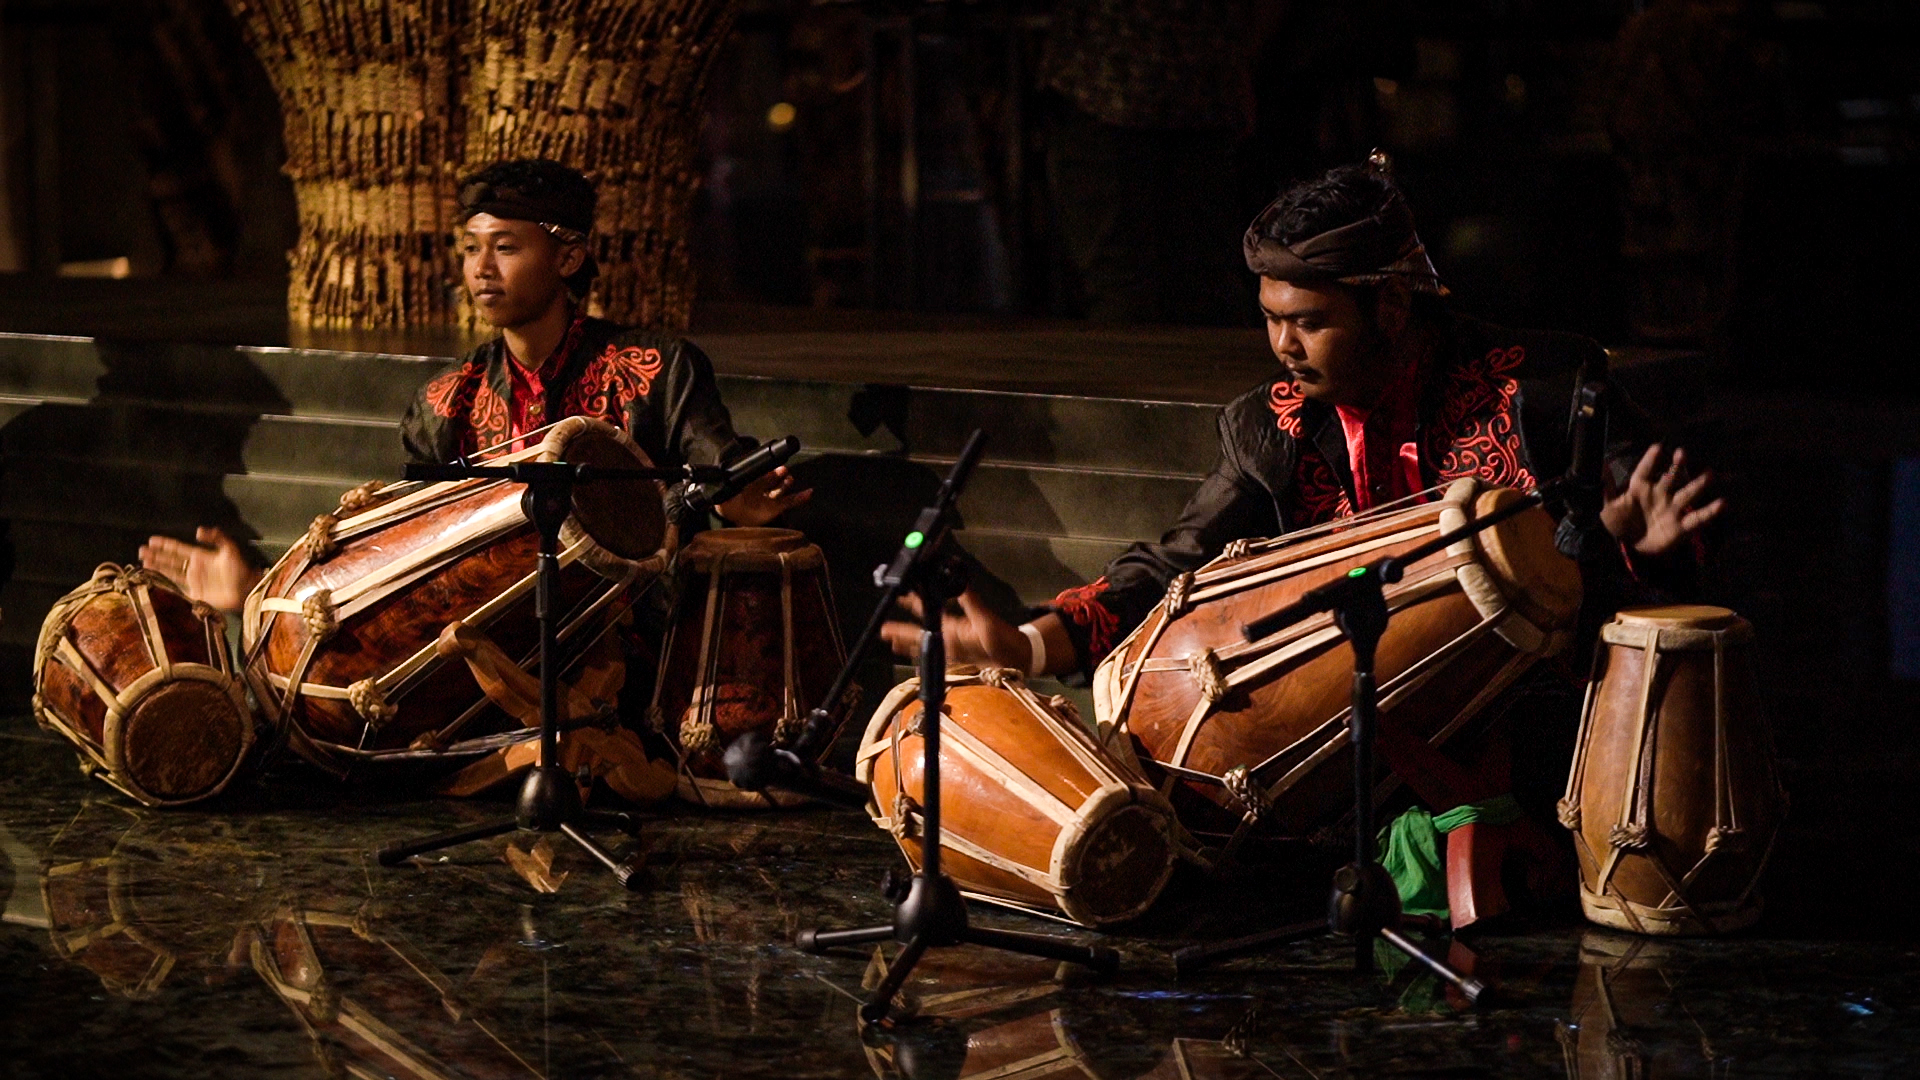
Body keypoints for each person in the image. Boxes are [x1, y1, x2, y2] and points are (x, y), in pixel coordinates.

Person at [886, 159, 1723, 678]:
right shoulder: (1269, 427)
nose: (1283, 346)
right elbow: (1171, 565)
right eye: (1270, 317)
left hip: (1530, 725)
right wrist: (1030, 647)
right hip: (1354, 728)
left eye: (1309, 322)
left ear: (1391, 308)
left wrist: (1637, 554)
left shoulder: (1539, 390)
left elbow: (1662, 562)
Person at [141, 159, 810, 610]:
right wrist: (264, 592)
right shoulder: (445, 402)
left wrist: (736, 505)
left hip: (629, 641)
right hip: (482, 649)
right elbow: (401, 556)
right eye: (469, 247)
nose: (481, 269)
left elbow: (719, 471)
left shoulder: (655, 368)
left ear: (569, 256)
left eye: (506, 247)